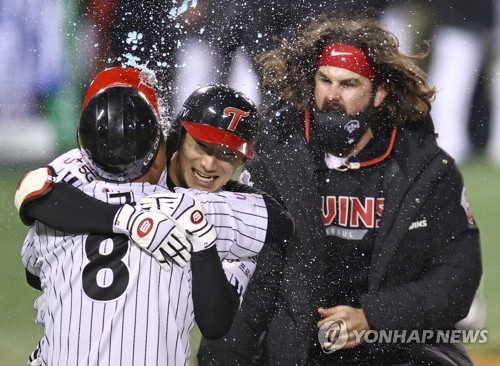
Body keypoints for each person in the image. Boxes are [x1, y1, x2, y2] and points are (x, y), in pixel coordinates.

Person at [198, 15, 482, 365]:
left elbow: (457, 281)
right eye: (324, 80)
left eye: (348, 84)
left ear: (379, 94)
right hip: (299, 348)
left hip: (394, 346)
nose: (331, 96)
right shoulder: (277, 160)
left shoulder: (425, 169)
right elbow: (253, 279)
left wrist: (371, 318)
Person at [18, 66, 293, 365]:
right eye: (202, 144)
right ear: (175, 135)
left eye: (228, 154)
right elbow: (33, 193)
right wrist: (129, 220)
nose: (210, 163)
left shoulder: (88, 188)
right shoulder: (225, 213)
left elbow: (35, 203)